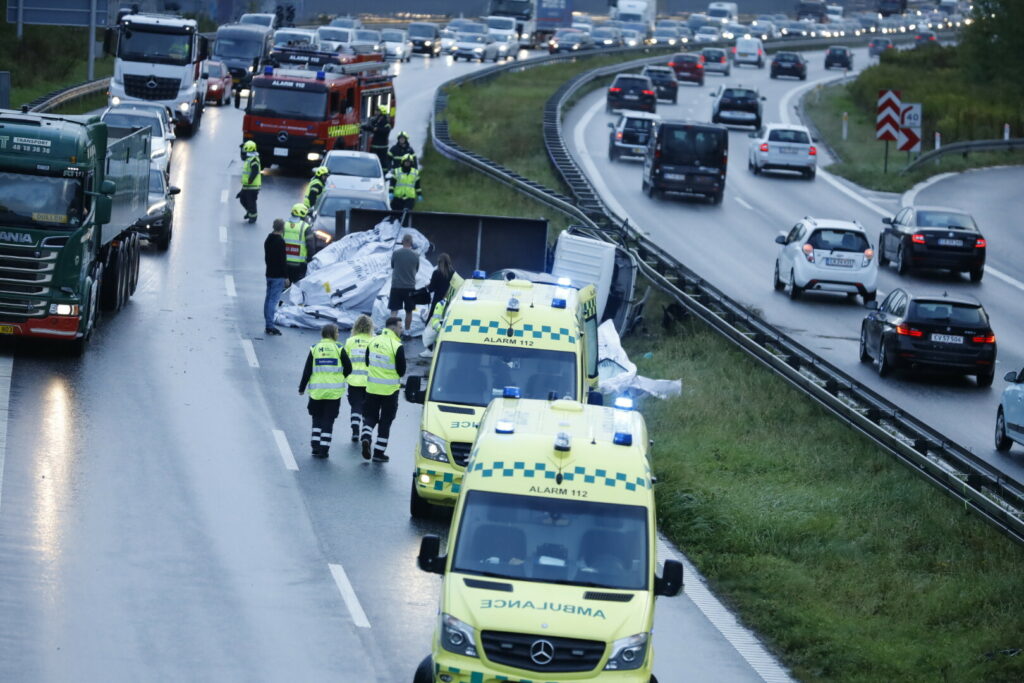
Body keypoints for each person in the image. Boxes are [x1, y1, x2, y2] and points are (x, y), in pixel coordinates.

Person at [298, 324, 352, 458]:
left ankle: (315, 446)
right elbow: (349, 368)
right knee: (328, 420)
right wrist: (340, 377)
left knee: (316, 418)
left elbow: (307, 370)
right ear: (333, 334)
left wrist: (302, 388)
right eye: (337, 332)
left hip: (316, 392)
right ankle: (324, 449)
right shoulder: (339, 348)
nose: (338, 335)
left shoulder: (315, 348)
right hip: (334, 393)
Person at [361, 316, 405, 462]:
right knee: (386, 421)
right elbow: (402, 371)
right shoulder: (397, 346)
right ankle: (379, 453)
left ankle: (366, 437)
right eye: (400, 327)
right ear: (393, 328)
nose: (402, 329)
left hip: (372, 388)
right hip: (390, 391)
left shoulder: (373, 341)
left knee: (370, 416)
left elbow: (367, 362)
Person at [343, 315, 374, 442]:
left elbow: (345, 360)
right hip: (369, 380)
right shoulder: (373, 341)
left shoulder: (350, 341)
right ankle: (365, 431)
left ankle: (355, 428)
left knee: (355, 405)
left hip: (353, 379)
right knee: (367, 407)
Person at [389, 234, 420, 334]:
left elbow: (393, 266)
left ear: (402, 241)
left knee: (394, 311)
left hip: (396, 286)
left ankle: (392, 331)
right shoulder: (416, 255)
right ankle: (407, 331)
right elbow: (417, 269)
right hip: (410, 287)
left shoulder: (396, 253)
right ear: (411, 242)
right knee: (409, 311)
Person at [263, 219, 288, 336]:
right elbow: (282, 261)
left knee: (268, 299)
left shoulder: (268, 240)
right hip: (278, 275)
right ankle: (270, 325)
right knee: (273, 301)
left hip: (269, 273)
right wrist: (286, 276)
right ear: (282, 228)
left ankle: (268, 323)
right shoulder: (280, 242)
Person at [283, 203, 311, 283]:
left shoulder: (284, 225)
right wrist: (310, 259)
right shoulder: (306, 227)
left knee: (284, 287)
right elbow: (311, 246)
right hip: (300, 265)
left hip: (284, 263)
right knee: (297, 287)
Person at [238, 141, 262, 223]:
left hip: (252, 186)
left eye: (245, 149)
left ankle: (253, 217)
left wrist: (250, 180)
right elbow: (243, 157)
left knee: (251, 202)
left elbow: (254, 171)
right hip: (247, 186)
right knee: (242, 199)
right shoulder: (249, 158)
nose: (244, 150)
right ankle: (250, 212)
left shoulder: (254, 159)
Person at [427, 253, 454, 320]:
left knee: (431, 319)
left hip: (437, 300)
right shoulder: (453, 273)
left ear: (439, 262)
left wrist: (428, 286)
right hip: (448, 300)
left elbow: (431, 289)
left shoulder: (436, 273)